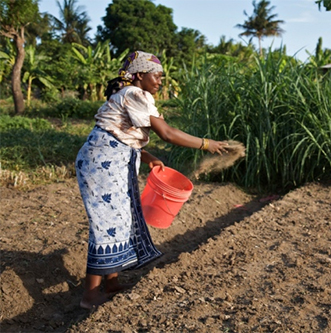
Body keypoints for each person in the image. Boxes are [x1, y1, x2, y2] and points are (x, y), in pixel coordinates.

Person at [75, 51, 228, 309]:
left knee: (123, 216)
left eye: (161, 76)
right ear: (140, 75)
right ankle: (90, 295)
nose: (160, 81)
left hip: (112, 159)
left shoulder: (134, 96)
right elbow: (167, 133)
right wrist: (206, 144)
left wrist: (147, 156)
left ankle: (110, 283)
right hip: (102, 164)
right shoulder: (135, 94)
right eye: (156, 75)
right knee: (107, 221)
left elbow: (120, 132)